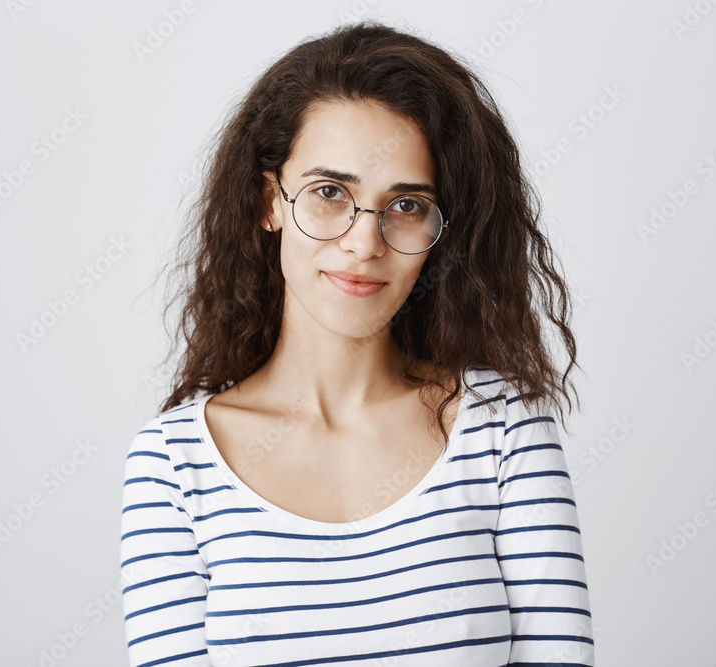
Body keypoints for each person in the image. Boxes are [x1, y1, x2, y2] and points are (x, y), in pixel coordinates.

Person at [121, 21, 594, 666]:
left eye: (405, 204)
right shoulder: (173, 466)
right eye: (329, 193)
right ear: (270, 202)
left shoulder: (504, 431)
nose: (364, 242)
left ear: (440, 228)